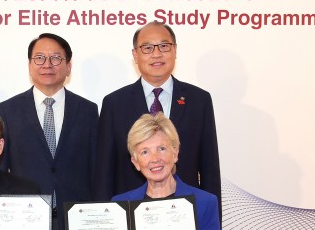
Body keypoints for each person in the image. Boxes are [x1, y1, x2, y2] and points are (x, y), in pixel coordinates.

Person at [94, 22, 221, 218]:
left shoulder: (199, 100)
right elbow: (104, 173)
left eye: (164, 46)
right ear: (135, 55)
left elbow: (210, 168)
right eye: (147, 48)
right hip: (130, 213)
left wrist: (212, 220)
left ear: (175, 51)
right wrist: (105, 221)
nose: (156, 54)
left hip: (186, 213)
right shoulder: (114, 103)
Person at [0, 33, 98, 230]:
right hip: (25, 218)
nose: (47, 64)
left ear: (68, 66)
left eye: (56, 58)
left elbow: (96, 168)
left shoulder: (88, 110)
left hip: (76, 219)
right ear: (30, 65)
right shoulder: (8, 110)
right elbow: (0, 170)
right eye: (40, 58)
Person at [112, 112, 220, 230]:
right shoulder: (120, 205)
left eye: (161, 149)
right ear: (135, 162)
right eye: (145, 152)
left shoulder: (205, 202)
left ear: (175, 153)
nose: (155, 159)